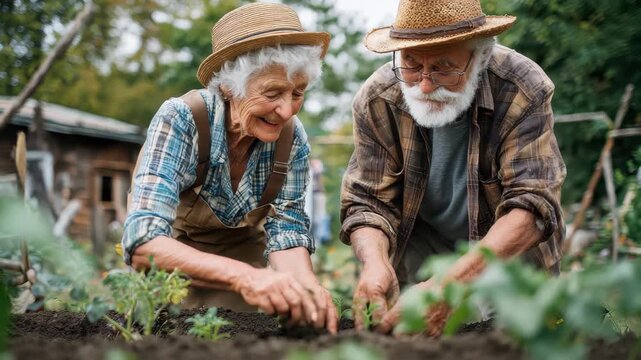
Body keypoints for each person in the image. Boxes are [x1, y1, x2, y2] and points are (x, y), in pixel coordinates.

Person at [340, 0, 566, 336]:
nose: (425, 84)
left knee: (510, 341)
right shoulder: (378, 99)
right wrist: (375, 262)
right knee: (415, 338)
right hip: (424, 242)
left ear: (479, 57)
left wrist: (453, 282)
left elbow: (533, 205)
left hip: (504, 245)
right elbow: (366, 202)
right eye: (412, 64)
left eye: (444, 67)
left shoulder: (522, 87)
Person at [122, 2, 337, 334]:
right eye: (273, 92)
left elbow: (287, 234)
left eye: (297, 93)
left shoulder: (291, 140)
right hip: (172, 275)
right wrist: (245, 277)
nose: (285, 110)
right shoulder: (182, 120)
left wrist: (307, 287)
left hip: (243, 279)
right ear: (228, 87)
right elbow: (143, 241)